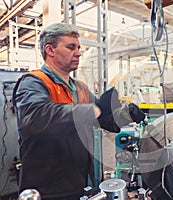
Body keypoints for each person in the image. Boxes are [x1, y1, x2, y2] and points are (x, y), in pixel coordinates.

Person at [13, 23, 145, 200]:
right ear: (50, 50)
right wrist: (89, 111)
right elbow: (35, 118)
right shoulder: (34, 82)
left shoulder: (79, 87)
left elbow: (105, 119)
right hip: (45, 188)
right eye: (71, 47)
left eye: (78, 48)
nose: (78, 53)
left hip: (77, 181)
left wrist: (127, 114)